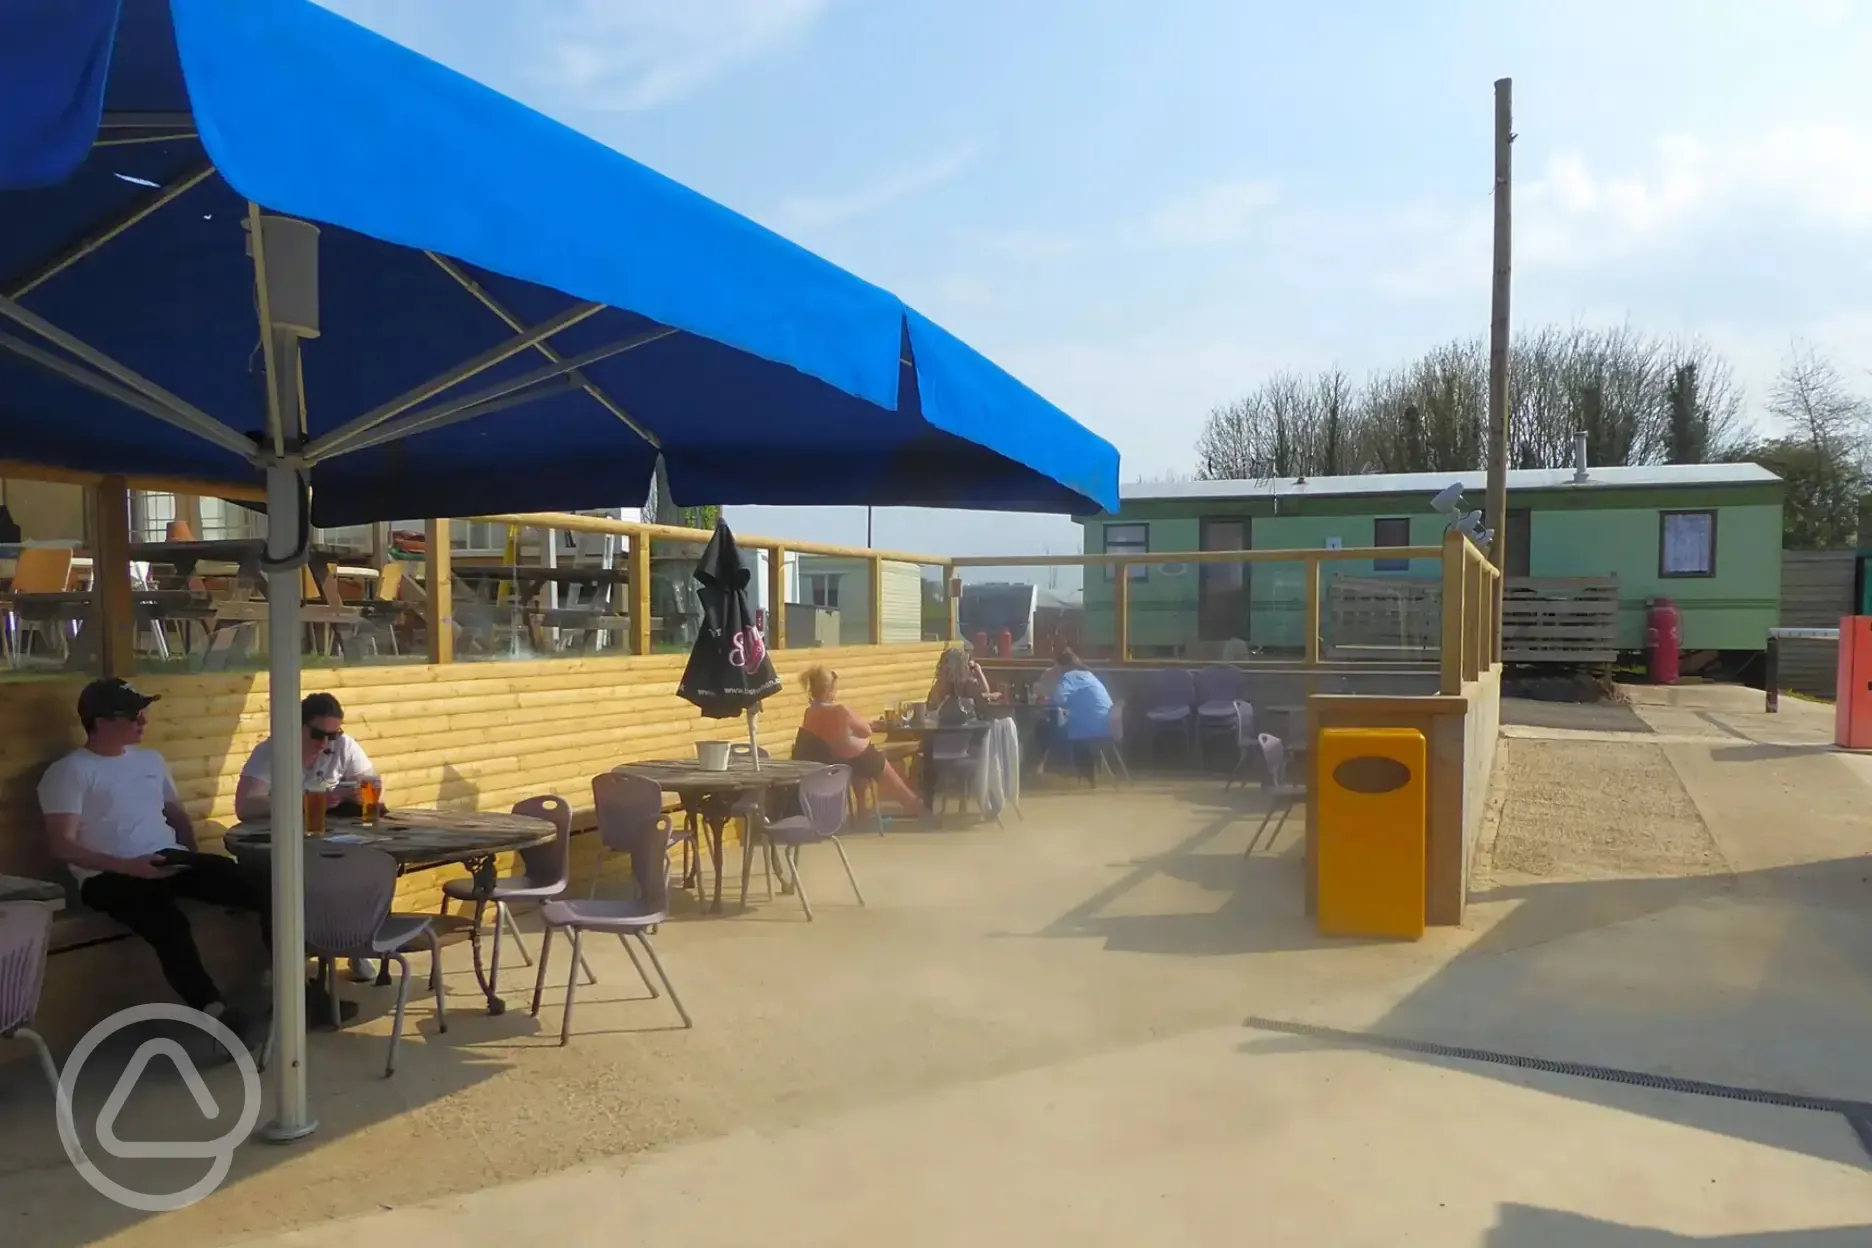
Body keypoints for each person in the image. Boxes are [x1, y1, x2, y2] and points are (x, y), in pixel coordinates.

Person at [38, 678, 267, 1053]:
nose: (143, 722)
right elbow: (62, 845)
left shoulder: (150, 760)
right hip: (107, 875)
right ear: (102, 721)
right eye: (134, 715)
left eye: (143, 713)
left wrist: (194, 859)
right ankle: (216, 1012)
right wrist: (129, 867)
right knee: (168, 922)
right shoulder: (70, 772)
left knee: (262, 885)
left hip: (167, 858)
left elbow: (176, 817)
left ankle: (294, 987)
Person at [236, 691, 382, 982]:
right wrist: (305, 801)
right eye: (317, 734)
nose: (326, 743)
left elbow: (373, 783)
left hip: (324, 839)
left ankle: (354, 945)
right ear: (296, 726)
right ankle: (290, 964)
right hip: (278, 843)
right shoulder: (273, 752)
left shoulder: (343, 745)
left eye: (334, 734)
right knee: (284, 885)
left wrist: (361, 794)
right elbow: (246, 806)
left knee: (363, 868)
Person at [792, 666, 928, 817]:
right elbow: (866, 731)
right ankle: (914, 805)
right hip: (855, 760)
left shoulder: (809, 713)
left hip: (832, 765)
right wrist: (869, 726)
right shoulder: (840, 711)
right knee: (879, 765)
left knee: (858, 769)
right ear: (829, 690)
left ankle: (862, 810)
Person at [1050, 650, 1116, 785]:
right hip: (1107, 724)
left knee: (1046, 727)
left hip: (1089, 726)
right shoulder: (1089, 675)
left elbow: (1058, 698)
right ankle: (1086, 772)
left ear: (1062, 666)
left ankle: (1058, 767)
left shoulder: (1069, 677)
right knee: (1063, 724)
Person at [926, 646, 992, 716]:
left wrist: (979, 672)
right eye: (942, 666)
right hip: (944, 723)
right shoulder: (939, 685)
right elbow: (930, 708)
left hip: (965, 723)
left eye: (945, 667)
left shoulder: (967, 685)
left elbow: (985, 697)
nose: (941, 668)